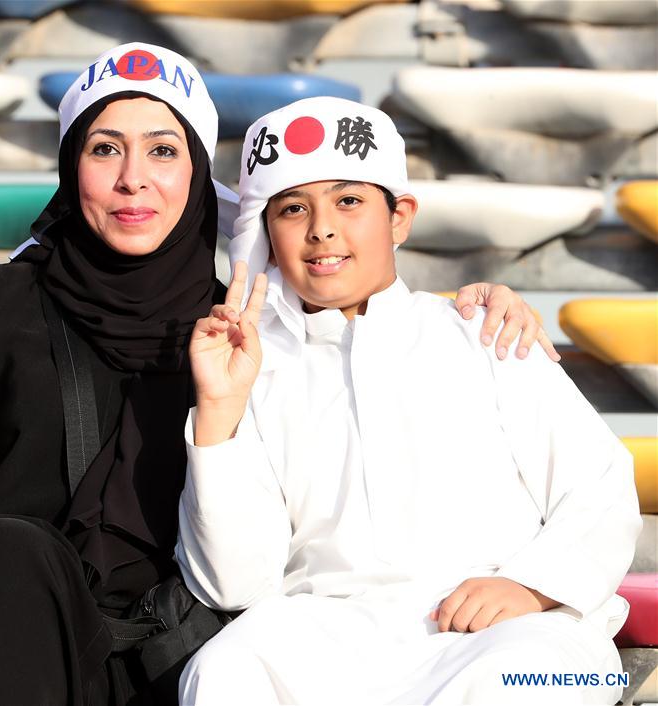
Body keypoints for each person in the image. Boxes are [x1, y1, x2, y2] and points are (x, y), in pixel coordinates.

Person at [0, 43, 550, 705]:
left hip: (164, 650)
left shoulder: (241, 326)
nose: (132, 180)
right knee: (12, 553)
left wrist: (477, 302)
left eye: (163, 151)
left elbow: (359, 313)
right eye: (105, 149)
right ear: (69, 165)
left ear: (197, 170)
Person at [177, 97, 641, 705]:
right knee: (224, 671)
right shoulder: (251, 367)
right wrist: (218, 413)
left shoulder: (486, 331)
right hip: (328, 636)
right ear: (266, 233)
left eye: (349, 201)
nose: (322, 229)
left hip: (523, 632)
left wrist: (531, 587)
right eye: (293, 209)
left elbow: (600, 486)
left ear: (399, 217)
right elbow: (234, 585)